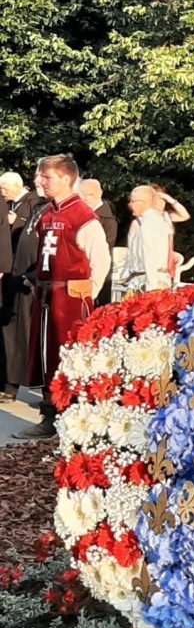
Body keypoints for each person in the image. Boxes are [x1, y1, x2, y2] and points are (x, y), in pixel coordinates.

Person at [16, 155, 110, 439]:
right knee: (45, 355)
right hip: (46, 295)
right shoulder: (47, 213)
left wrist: (86, 294)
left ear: (67, 179)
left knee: (69, 354)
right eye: (40, 176)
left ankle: (73, 419)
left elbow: (100, 260)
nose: (40, 182)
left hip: (70, 297)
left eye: (47, 177)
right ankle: (49, 414)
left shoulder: (82, 216)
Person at [0, 167, 46, 401]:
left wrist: (15, 221)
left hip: (28, 277)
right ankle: (7, 380)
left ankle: (15, 383)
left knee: (21, 332)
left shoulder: (33, 203)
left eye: (5, 188)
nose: (2, 192)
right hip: (13, 275)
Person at [120, 186, 172, 293]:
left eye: (133, 201)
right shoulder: (157, 220)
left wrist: (151, 287)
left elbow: (149, 254)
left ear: (143, 203)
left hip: (148, 282)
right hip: (154, 279)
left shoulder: (148, 224)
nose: (130, 204)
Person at [78, 179, 118, 306]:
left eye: (90, 195)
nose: (85, 199)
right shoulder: (81, 214)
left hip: (98, 272)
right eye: (82, 195)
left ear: (99, 193)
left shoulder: (107, 219)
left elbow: (103, 250)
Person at [149, 183, 190, 282]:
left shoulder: (167, 216)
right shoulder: (147, 217)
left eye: (163, 199)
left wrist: (171, 199)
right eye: (158, 199)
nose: (162, 202)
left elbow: (185, 216)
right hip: (155, 259)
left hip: (167, 258)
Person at [0, 172, 43, 252]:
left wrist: (17, 221)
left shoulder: (35, 201)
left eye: (5, 189)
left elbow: (39, 227)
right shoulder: (8, 203)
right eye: (0, 189)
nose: (3, 193)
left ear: (17, 186)